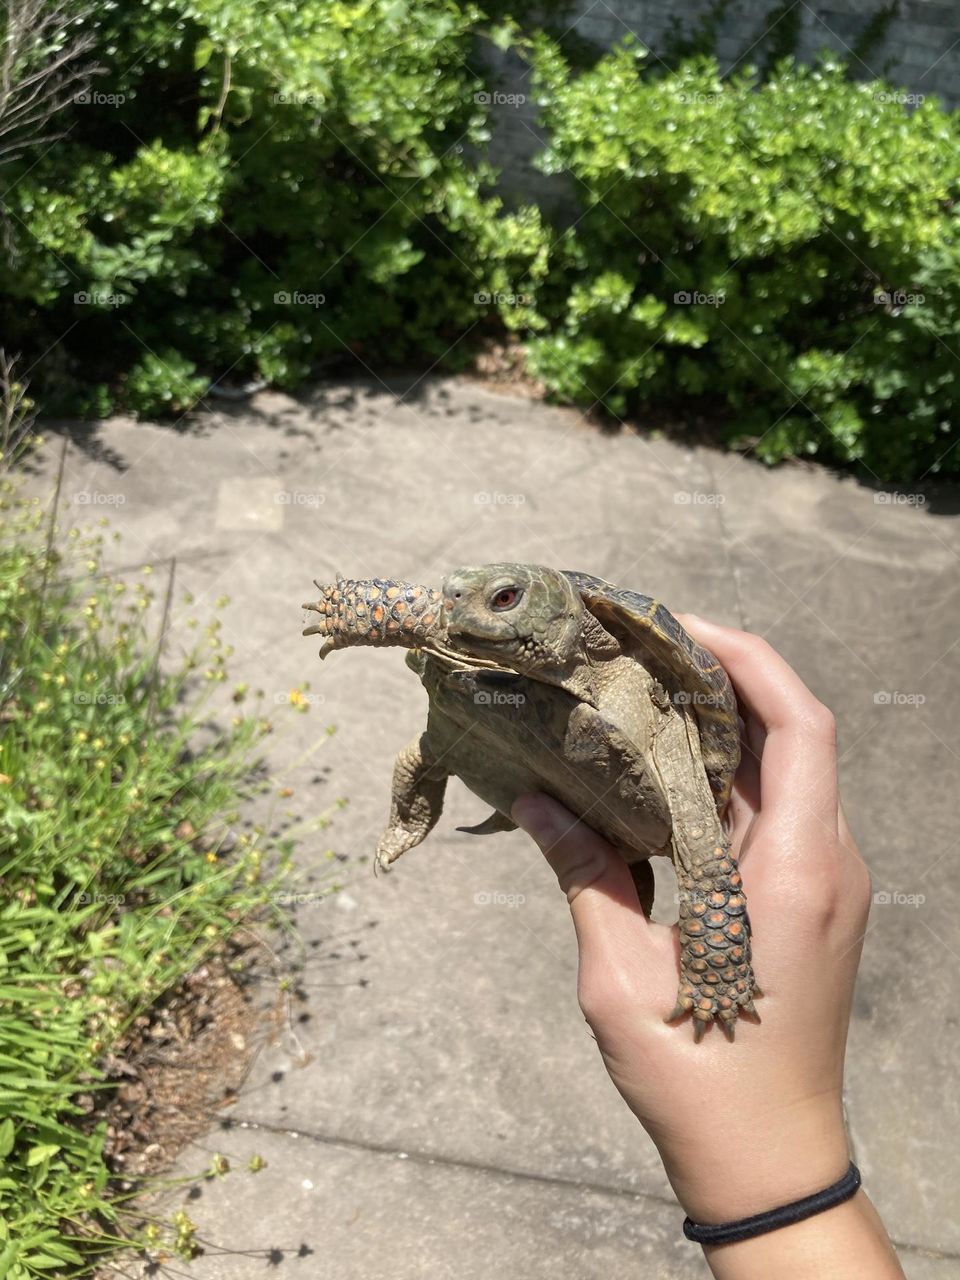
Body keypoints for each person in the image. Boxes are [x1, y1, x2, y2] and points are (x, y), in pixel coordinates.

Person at [511, 615, 906, 1280]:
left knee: (706, 862)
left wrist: (718, 968)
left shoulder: (641, 678)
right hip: (508, 718)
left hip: (665, 749)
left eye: (508, 599)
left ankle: (719, 965)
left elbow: (708, 861)